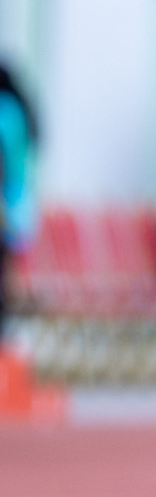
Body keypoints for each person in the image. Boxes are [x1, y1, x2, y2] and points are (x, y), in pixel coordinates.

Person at [0, 63, 39, 344]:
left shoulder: (3, 111)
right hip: (23, 199)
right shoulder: (22, 112)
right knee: (9, 270)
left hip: (5, 200)